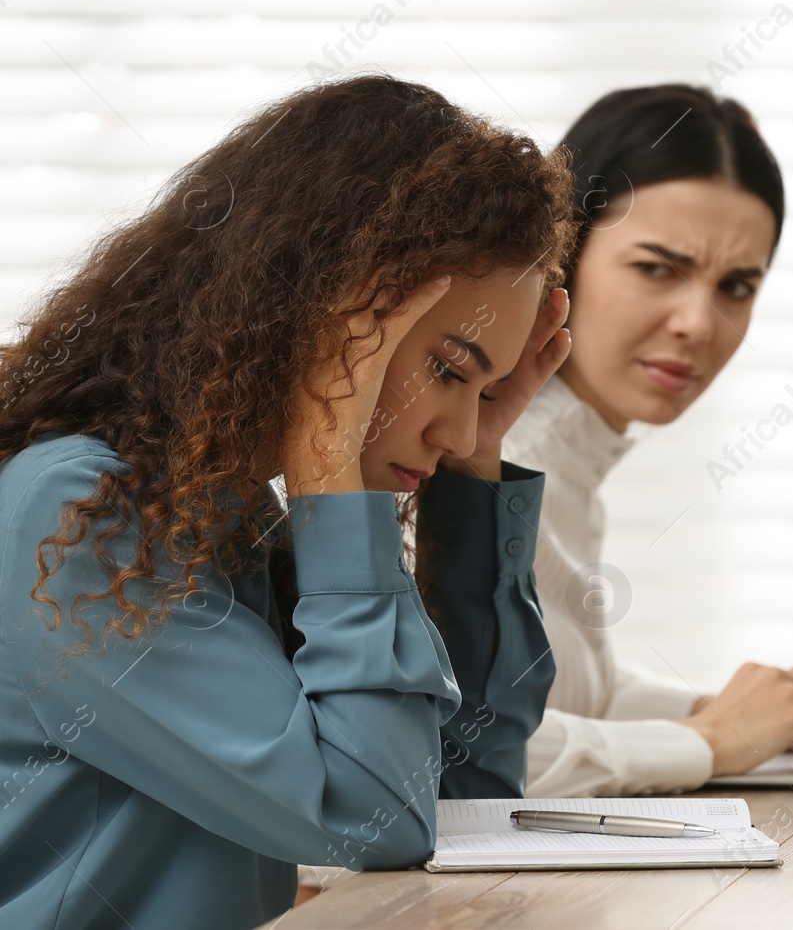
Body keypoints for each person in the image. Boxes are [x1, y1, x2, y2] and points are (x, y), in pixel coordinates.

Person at [0, 75, 578, 930]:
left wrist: (477, 470)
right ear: (318, 318)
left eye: (485, 391)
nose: (457, 429)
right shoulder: (82, 511)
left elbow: (467, 792)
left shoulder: (231, 515)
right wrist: (332, 485)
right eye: (451, 370)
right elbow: (375, 818)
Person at [506, 84, 793, 795]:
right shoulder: (482, 460)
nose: (699, 322)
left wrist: (766, 711)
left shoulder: (569, 456)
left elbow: (567, 697)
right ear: (560, 252)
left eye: (737, 286)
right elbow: (460, 749)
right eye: (658, 268)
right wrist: (708, 739)